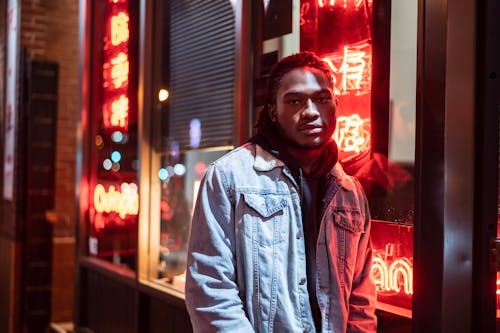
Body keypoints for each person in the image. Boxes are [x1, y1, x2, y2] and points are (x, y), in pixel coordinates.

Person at [185, 51, 377, 333]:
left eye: (322, 99)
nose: (311, 111)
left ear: (336, 104)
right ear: (273, 110)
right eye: (295, 100)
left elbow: (361, 297)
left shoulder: (350, 192)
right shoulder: (230, 176)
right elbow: (210, 289)